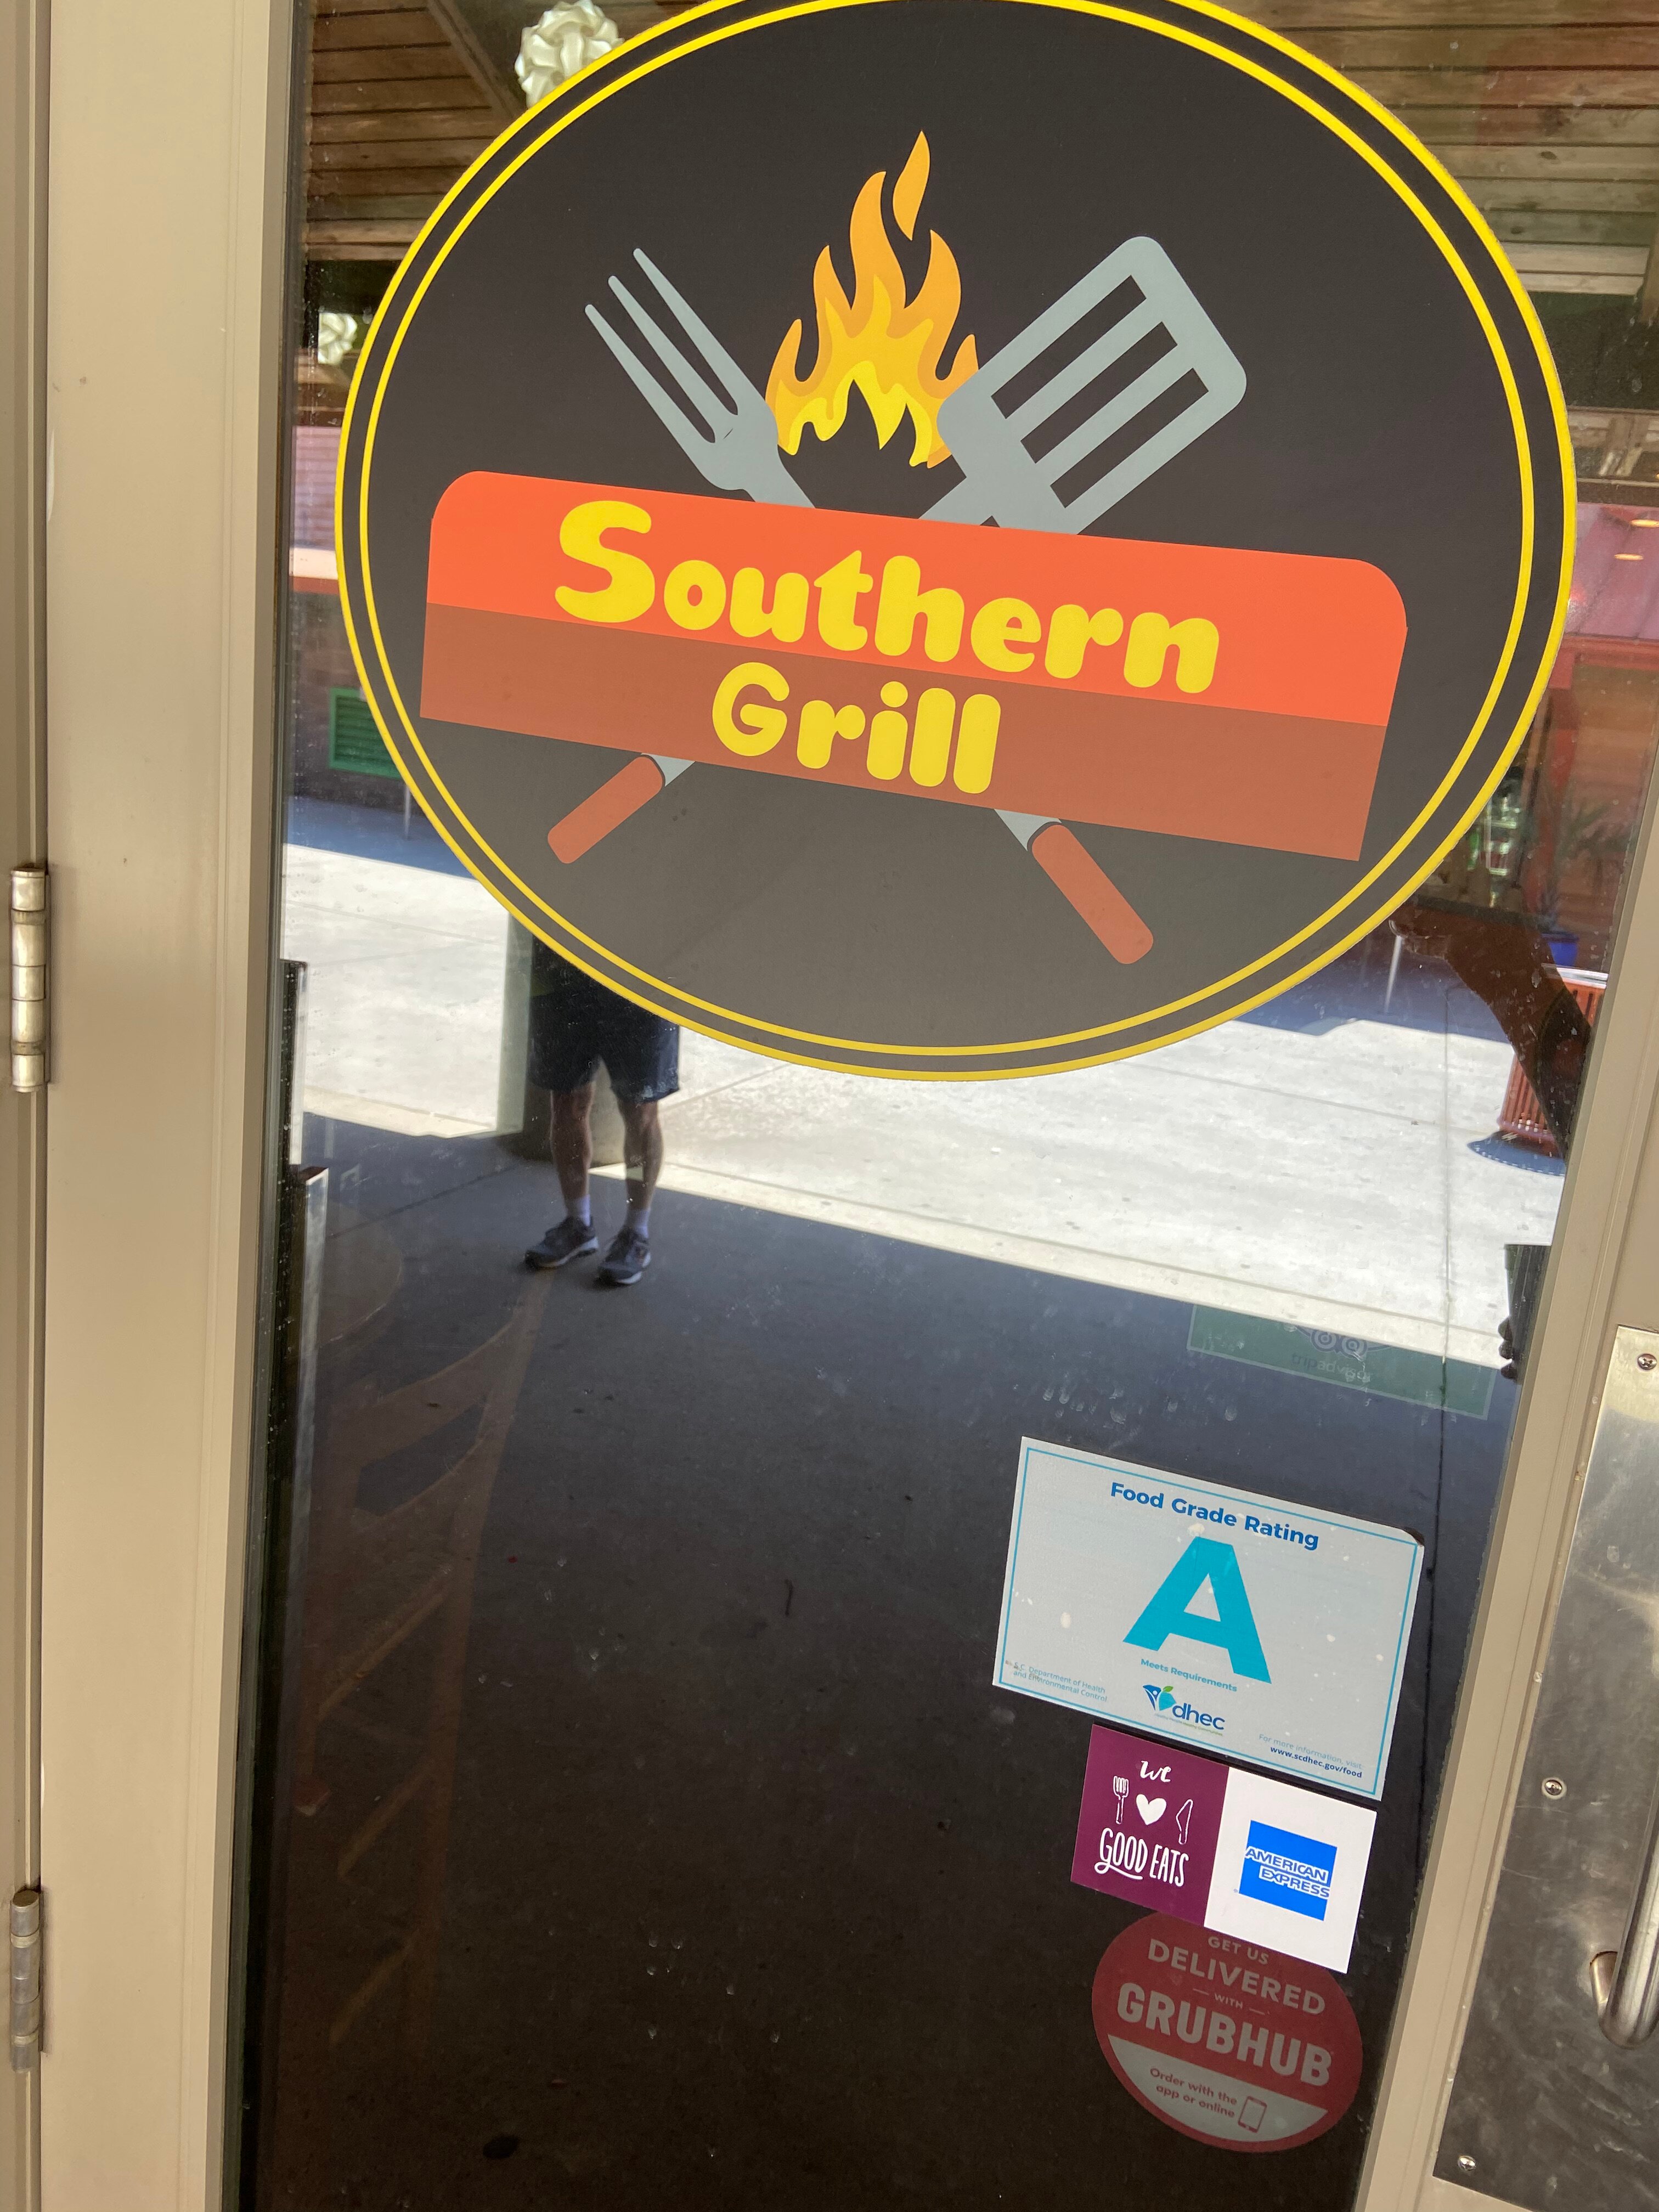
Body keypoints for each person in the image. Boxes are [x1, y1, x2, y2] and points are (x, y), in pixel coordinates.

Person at [522, 941, 680, 1285]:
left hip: (643, 975)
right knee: (566, 1100)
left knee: (640, 1109)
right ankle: (578, 1223)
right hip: (563, 971)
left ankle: (636, 1231)